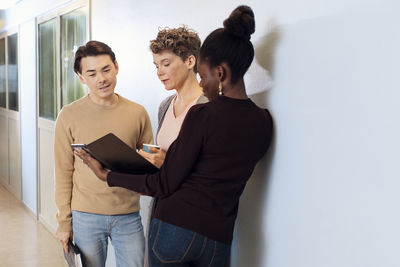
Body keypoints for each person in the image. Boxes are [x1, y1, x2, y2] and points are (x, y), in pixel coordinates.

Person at [75, 5, 273, 267]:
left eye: (204, 75)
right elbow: (221, 168)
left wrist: (106, 175)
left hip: (176, 228)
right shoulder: (264, 121)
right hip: (219, 237)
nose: (202, 83)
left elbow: (164, 184)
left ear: (220, 73)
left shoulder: (202, 113)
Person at [54, 40, 153, 267]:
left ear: (116, 67)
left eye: (106, 69)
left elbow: (147, 164)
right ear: (82, 78)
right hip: (85, 216)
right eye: (92, 73)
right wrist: (64, 223)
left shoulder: (137, 113)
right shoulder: (69, 115)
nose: (101, 79)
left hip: (128, 215)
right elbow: (62, 173)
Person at [137, 26, 207, 267]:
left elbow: (211, 167)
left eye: (165, 63)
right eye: (156, 65)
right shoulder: (165, 106)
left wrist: (168, 163)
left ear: (190, 60)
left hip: (195, 220)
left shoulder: (209, 105)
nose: (159, 72)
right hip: (162, 212)